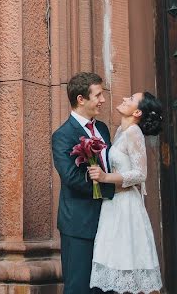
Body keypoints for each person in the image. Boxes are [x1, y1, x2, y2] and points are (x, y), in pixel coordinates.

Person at [87, 91, 164, 294]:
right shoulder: (121, 131)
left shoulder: (133, 132)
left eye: (130, 99)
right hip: (113, 204)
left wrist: (105, 178)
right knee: (114, 263)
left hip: (126, 206)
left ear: (137, 111)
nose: (124, 99)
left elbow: (140, 174)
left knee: (128, 261)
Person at [52, 72, 116, 294]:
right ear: (81, 99)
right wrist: (111, 187)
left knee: (106, 287)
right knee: (79, 287)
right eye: (98, 95)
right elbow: (71, 177)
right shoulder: (62, 135)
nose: (103, 100)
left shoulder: (104, 129)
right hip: (79, 223)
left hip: (108, 221)